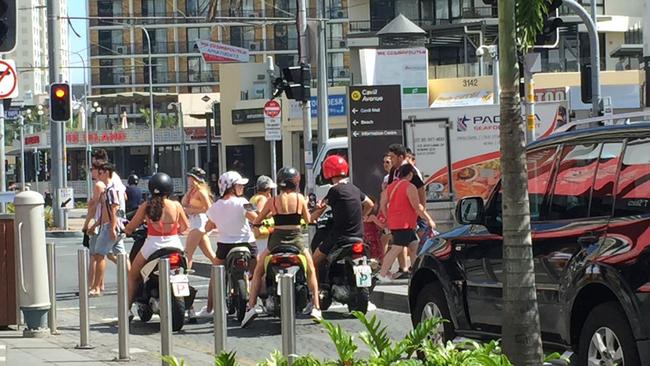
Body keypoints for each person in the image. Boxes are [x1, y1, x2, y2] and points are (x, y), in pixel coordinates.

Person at [244, 167, 321, 327]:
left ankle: (250, 307)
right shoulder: (300, 199)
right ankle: (316, 306)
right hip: (296, 241)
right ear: (296, 182)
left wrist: (260, 222)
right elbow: (307, 220)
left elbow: (258, 220)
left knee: (258, 271)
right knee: (311, 270)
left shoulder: (272, 201)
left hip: (276, 242)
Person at [124, 172, 189, 317]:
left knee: (133, 275)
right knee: (184, 271)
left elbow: (131, 226)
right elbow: (185, 227)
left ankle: (126, 309)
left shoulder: (146, 206)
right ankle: (190, 309)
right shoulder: (176, 205)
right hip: (174, 244)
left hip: (152, 245)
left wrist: (126, 231)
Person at [196, 171, 258, 317]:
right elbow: (256, 218)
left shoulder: (215, 207)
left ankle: (210, 308)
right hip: (248, 244)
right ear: (232, 187)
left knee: (215, 275)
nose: (242, 187)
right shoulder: (244, 202)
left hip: (225, 246)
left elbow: (207, 227)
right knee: (258, 273)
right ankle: (262, 299)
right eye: (239, 185)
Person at [312, 155, 374, 274]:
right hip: (358, 236)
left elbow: (321, 208)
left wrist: (311, 216)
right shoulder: (355, 188)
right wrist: (362, 217)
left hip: (339, 237)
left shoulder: (334, 190)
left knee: (313, 261)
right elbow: (370, 204)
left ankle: (316, 291)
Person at [378, 164, 436, 282]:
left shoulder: (391, 186)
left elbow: (382, 204)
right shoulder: (410, 187)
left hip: (398, 224)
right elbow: (417, 206)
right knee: (396, 248)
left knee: (414, 245)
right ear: (409, 174)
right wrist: (428, 219)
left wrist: (388, 217)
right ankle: (382, 274)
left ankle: (415, 273)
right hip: (404, 224)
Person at [88, 162, 129, 296]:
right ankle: (133, 281)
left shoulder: (111, 190)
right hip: (114, 226)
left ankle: (96, 287)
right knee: (122, 256)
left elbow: (114, 209)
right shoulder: (109, 189)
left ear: (106, 172)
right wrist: (95, 225)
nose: (98, 176)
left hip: (110, 227)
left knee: (99, 255)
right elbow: (106, 211)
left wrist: (111, 228)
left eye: (100, 173)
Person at [181, 167, 216, 269]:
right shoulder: (193, 191)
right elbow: (183, 203)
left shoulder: (201, 191)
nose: (188, 179)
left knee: (187, 253)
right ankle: (223, 270)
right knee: (209, 253)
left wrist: (194, 211)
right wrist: (189, 192)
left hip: (199, 223)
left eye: (191, 177)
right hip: (195, 222)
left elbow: (209, 208)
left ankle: (184, 276)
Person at [250, 175, 277, 256]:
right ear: (268, 189)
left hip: (254, 231)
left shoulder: (254, 197)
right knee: (263, 254)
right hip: (262, 232)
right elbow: (260, 212)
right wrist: (272, 213)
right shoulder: (262, 198)